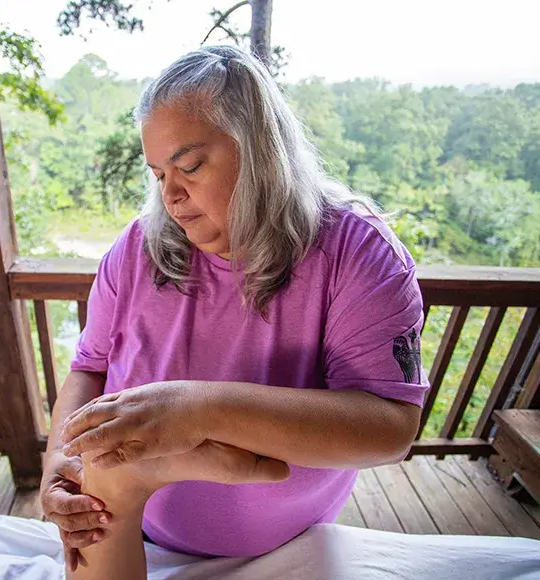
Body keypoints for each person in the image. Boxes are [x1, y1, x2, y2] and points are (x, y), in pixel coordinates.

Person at [39, 44, 429, 575]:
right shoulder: (135, 249)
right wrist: (58, 464)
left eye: (191, 166)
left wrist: (200, 411)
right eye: (158, 175)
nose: (171, 197)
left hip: (288, 547)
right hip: (134, 528)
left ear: (260, 147)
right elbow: (89, 365)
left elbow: (390, 428)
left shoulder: (357, 253)